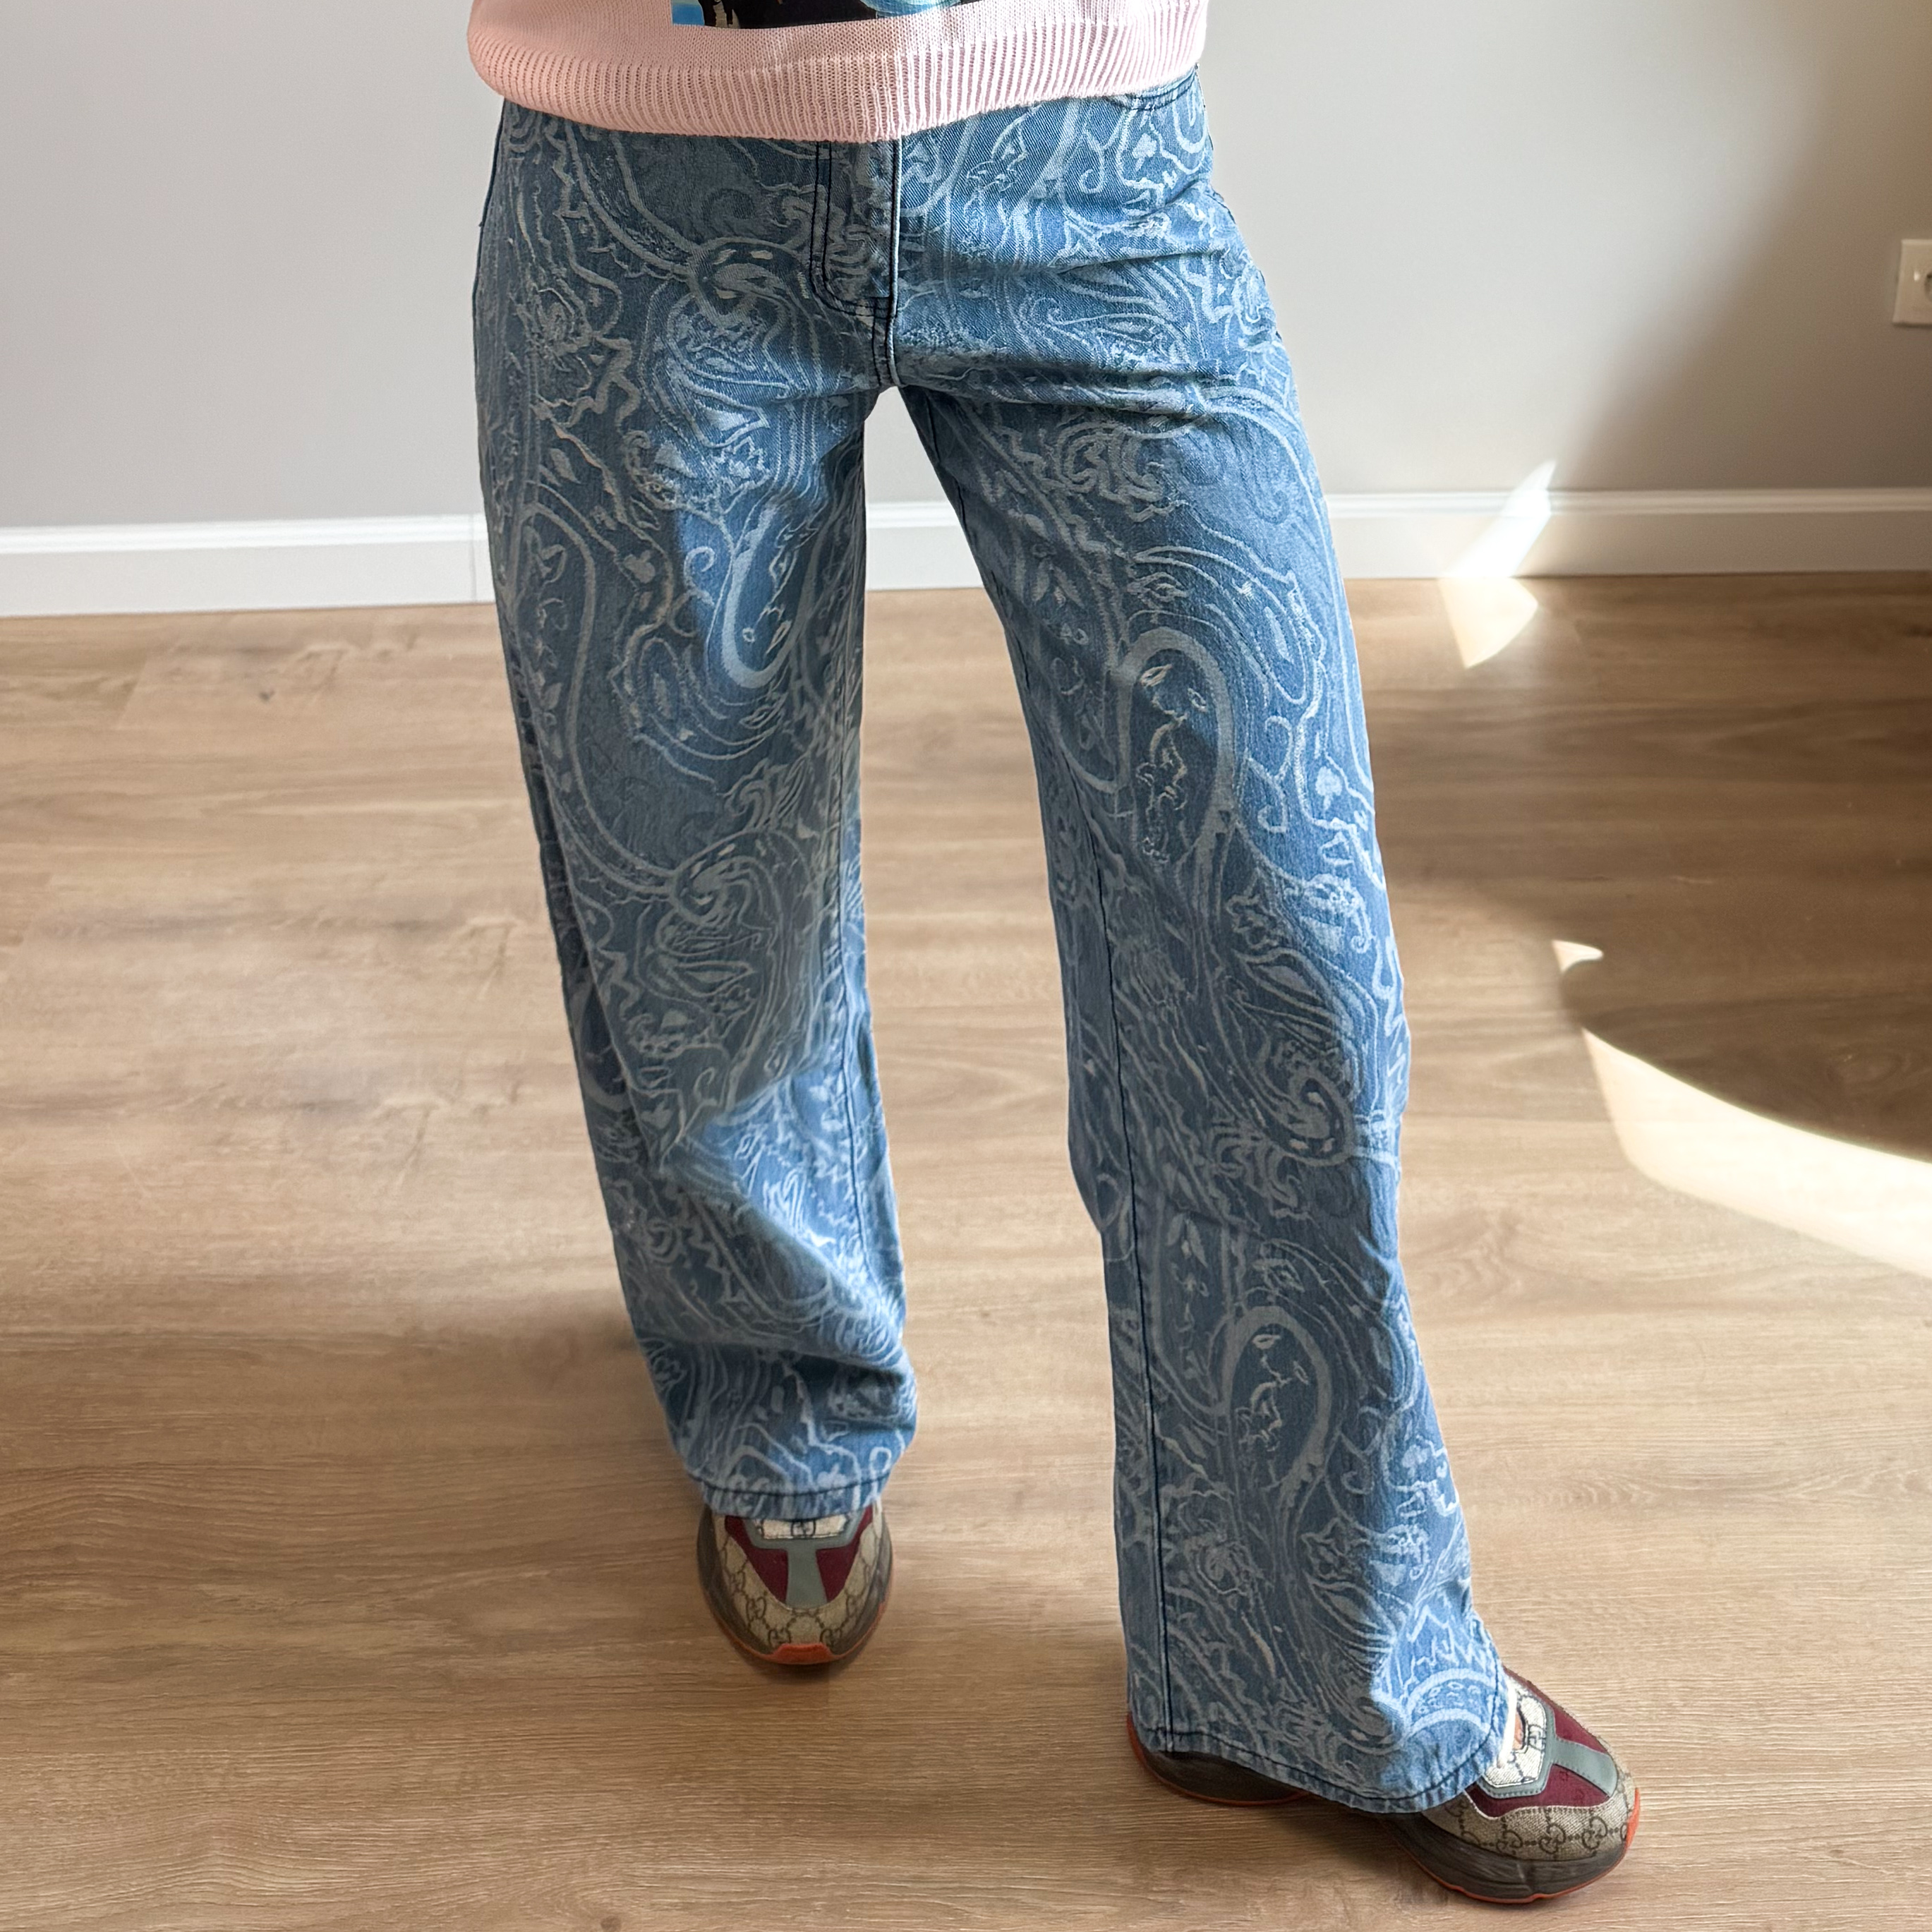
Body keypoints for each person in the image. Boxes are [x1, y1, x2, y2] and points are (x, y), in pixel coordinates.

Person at [466, 0, 1638, 1902]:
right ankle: (785, 1405)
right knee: (691, 899)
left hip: (1080, 151)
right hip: (638, 176)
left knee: (1277, 928)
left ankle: (1295, 1656)